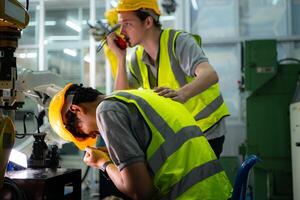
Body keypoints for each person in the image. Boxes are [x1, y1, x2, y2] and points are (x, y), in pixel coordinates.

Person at [48, 83, 232, 199]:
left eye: (82, 133)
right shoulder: (140, 95)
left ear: (76, 110)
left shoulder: (106, 111)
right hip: (218, 190)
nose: (94, 135)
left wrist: (103, 163)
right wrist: (113, 153)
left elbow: (139, 192)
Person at [106, 0, 230, 158]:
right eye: (120, 25)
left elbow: (210, 74)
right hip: (182, 131)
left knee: (198, 181)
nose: (121, 31)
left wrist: (182, 94)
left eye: (127, 24)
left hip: (206, 127)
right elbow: (120, 98)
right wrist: (121, 57)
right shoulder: (137, 58)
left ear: (148, 21)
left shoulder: (178, 42)